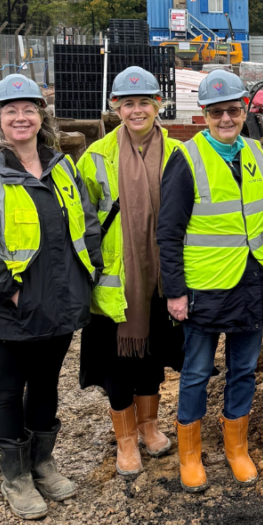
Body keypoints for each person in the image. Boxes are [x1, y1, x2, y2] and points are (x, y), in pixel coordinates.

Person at [0, 74, 102, 520]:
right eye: (11, 110)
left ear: (41, 117)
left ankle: (42, 462)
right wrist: (12, 293)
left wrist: (88, 276)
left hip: (59, 302)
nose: (21, 117)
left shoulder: (63, 169)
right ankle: (15, 476)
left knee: (47, 384)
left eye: (29, 109)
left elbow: (87, 226)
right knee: (8, 389)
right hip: (7, 309)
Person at [157, 70, 263, 492]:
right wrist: (175, 292)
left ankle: (236, 448)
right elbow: (168, 232)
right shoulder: (187, 159)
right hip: (206, 288)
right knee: (196, 372)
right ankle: (190, 454)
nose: (226, 119)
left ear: (245, 110)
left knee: (244, 369)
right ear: (204, 115)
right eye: (216, 113)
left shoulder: (255, 153)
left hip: (252, 282)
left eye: (233, 110)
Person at [77, 67, 185, 476]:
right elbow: (81, 220)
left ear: (158, 105)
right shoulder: (96, 156)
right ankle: (126, 441)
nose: (136, 110)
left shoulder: (178, 153)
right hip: (115, 280)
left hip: (160, 276)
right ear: (115, 108)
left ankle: (149, 427)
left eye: (144, 102)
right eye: (128, 104)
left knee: (152, 355)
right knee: (116, 363)